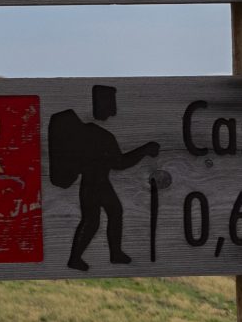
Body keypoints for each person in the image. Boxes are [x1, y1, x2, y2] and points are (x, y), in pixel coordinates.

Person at [48, 85, 159, 270]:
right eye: (110, 105)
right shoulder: (97, 135)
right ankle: (79, 257)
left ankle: (112, 253)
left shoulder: (95, 133)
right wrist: (144, 150)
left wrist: (144, 150)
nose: (113, 112)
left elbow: (118, 162)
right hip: (93, 185)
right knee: (93, 220)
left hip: (98, 183)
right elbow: (120, 163)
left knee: (110, 214)